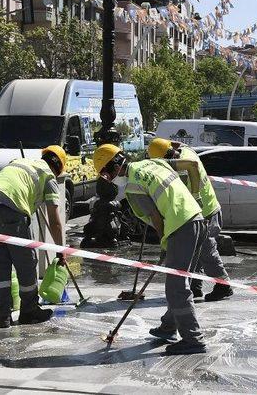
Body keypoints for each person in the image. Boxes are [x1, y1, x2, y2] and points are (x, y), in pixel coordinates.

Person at [93, 144, 208, 355]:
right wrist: (195, 196)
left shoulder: (132, 187)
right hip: (197, 218)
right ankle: (168, 327)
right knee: (182, 281)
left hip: (180, 226)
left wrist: (165, 241)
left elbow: (156, 218)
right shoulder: (151, 162)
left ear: (114, 167)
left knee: (176, 287)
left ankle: (193, 339)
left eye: (107, 175)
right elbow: (189, 167)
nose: (109, 180)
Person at [0, 145, 68, 328]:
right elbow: (55, 220)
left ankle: (4, 316)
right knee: (26, 262)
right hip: (11, 208)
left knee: (0, 264)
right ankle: (29, 311)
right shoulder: (49, 177)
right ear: (59, 167)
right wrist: (61, 252)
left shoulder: (21, 162)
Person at [147, 138, 233, 302]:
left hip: (205, 213)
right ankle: (195, 287)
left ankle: (223, 285)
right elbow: (178, 144)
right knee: (196, 251)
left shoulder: (182, 172)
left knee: (206, 250)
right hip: (208, 209)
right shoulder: (186, 152)